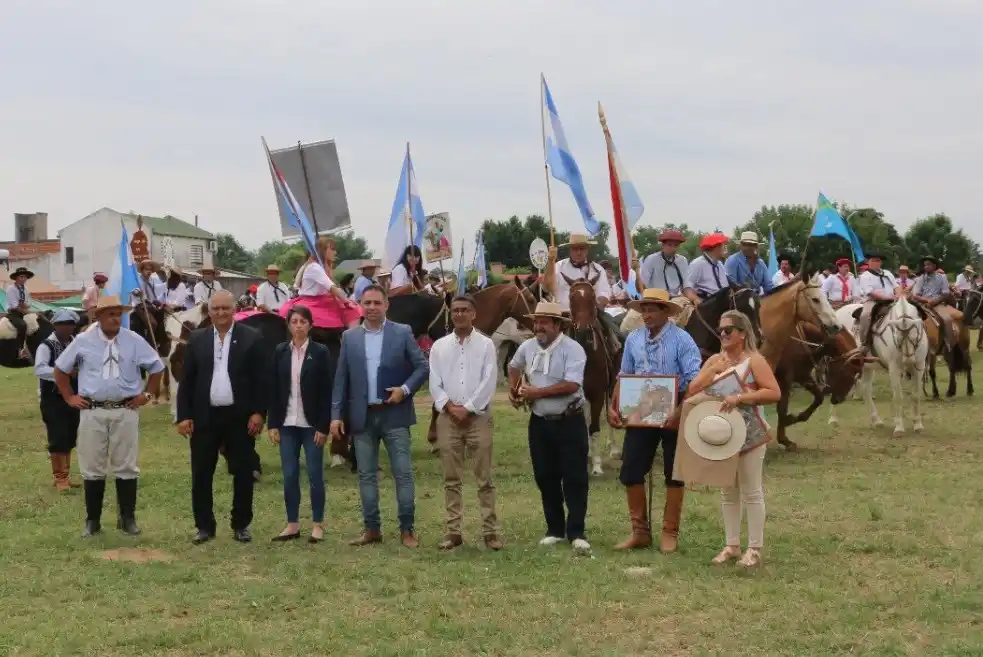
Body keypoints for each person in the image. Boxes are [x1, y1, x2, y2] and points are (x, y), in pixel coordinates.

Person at [52, 296, 165, 537]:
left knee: (126, 464)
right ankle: (92, 521)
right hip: (93, 410)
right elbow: (60, 369)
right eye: (110, 314)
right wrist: (70, 397)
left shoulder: (134, 340)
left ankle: (127, 518)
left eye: (118, 314)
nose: (115, 318)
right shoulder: (83, 341)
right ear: (99, 316)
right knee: (92, 465)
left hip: (125, 409)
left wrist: (146, 394)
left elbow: (157, 367)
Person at [330, 284, 429, 548]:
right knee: (366, 475)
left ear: (387, 305)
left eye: (377, 302)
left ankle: (407, 529)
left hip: (394, 414)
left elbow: (421, 367)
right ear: (360, 305)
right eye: (367, 303)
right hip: (362, 417)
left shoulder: (402, 332)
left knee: (403, 473)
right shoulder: (350, 338)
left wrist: (404, 390)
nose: (372, 307)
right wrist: (336, 416)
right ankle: (372, 528)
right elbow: (341, 379)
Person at [608, 288, 702, 552]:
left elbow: (695, 379)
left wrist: (680, 410)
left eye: (652, 310)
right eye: (644, 310)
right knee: (631, 468)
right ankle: (640, 532)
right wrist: (615, 406)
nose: (646, 315)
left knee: (674, 470)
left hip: (675, 404)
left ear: (665, 312)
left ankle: (669, 532)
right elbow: (624, 374)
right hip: (639, 405)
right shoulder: (633, 339)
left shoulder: (683, 340)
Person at [686, 310, 781, 567]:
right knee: (728, 491)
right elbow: (692, 389)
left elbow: (774, 392)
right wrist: (713, 370)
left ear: (742, 333)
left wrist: (741, 397)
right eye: (720, 330)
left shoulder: (755, 360)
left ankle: (755, 547)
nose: (723, 334)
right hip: (721, 433)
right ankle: (732, 545)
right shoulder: (716, 359)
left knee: (751, 490)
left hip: (750, 431)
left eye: (728, 330)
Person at [175, 290, 270, 544]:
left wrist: (259, 412)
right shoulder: (197, 339)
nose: (220, 313)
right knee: (202, 473)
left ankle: (241, 525)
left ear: (234, 309)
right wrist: (183, 415)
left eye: (225, 308)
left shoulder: (252, 338)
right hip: (204, 416)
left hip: (240, 417)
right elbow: (187, 381)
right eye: (215, 309)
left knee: (243, 472)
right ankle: (204, 526)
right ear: (209, 311)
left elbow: (262, 380)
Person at [507, 301, 591, 555]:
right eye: (537, 321)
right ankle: (554, 529)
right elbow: (513, 366)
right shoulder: (527, 346)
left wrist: (536, 392)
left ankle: (576, 531)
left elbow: (571, 385)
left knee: (575, 477)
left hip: (569, 420)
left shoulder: (573, 349)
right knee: (545, 475)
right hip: (540, 421)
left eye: (544, 322)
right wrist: (515, 390)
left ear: (557, 324)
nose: (538, 326)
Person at [429, 295, 502, 551]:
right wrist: (450, 407)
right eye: (455, 310)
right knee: (451, 478)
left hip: (478, 417)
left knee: (484, 477)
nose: (459, 314)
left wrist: (468, 409)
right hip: (448, 418)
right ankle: (453, 531)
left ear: (474, 314)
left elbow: (489, 380)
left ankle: (490, 532)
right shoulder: (439, 346)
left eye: (464, 310)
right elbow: (434, 382)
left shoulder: (486, 345)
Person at [267, 305, 333, 544]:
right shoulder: (280, 351)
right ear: (288, 324)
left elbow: (328, 391)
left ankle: (317, 523)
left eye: (303, 322)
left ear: (310, 325)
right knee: (290, 475)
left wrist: (324, 426)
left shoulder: (320, 352)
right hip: (287, 423)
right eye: (294, 321)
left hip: (311, 424)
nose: (298, 326)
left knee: (315, 474)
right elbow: (274, 389)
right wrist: (273, 423)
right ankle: (292, 523)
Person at [542, 233, 620, 356]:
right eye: (575, 249)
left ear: (587, 249)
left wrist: (592, 307)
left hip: (591, 315)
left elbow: (604, 295)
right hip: (563, 316)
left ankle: (617, 356)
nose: (578, 252)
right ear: (570, 250)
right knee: (542, 340)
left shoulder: (598, 269)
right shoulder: (557, 267)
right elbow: (546, 287)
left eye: (581, 248)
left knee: (617, 333)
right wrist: (550, 261)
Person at [35, 309, 82, 492]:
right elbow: (39, 369)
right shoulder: (46, 346)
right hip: (53, 397)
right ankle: (60, 477)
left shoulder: (76, 343)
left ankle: (66, 475)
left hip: (74, 395)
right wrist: (61, 373)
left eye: (70, 324)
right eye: (62, 324)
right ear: (54, 325)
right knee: (57, 435)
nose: (66, 327)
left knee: (70, 435)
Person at [280, 237, 361, 330]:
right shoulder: (314, 267)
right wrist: (346, 301)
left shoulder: (318, 266)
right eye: (332, 249)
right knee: (353, 310)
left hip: (322, 300)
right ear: (323, 250)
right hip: (313, 302)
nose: (335, 252)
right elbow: (332, 287)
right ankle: (352, 338)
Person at [911, 255, 960, 352]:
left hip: (938, 303)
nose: (926, 267)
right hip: (922, 303)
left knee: (947, 319)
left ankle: (948, 343)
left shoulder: (942, 277)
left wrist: (935, 301)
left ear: (934, 266)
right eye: (925, 265)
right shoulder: (920, 278)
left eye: (929, 265)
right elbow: (915, 294)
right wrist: (925, 300)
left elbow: (945, 293)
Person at [856, 252, 901, 353]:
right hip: (873, 301)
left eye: (878, 261)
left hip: (892, 300)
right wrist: (886, 297)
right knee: (865, 315)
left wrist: (898, 295)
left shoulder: (888, 273)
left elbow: (896, 286)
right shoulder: (865, 276)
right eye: (874, 260)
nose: (877, 263)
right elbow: (870, 292)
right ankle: (863, 343)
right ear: (868, 262)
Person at [638, 229, 693, 299]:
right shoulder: (652, 259)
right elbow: (641, 285)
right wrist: (637, 272)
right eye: (669, 245)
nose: (673, 248)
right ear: (663, 245)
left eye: (676, 245)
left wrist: (694, 299)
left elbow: (686, 286)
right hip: (655, 298)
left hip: (675, 299)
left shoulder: (682, 261)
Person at [685, 233, 729, 302]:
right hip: (707, 302)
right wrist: (695, 299)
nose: (725, 248)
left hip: (722, 301)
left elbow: (725, 285)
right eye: (723, 245)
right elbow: (687, 287)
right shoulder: (698, 264)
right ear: (716, 247)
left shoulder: (719, 264)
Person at [5, 266, 35, 359]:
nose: (23, 279)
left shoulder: (25, 289)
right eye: (21, 277)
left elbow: (28, 302)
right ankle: (20, 349)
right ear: (16, 278)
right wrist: (25, 309)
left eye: (25, 277)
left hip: (23, 312)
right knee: (22, 325)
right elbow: (15, 306)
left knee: (37, 322)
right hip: (13, 314)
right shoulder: (11, 289)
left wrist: (25, 306)